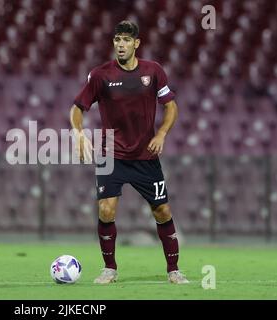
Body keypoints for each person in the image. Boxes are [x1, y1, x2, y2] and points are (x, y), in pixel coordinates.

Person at [69, 21, 188, 284]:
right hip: (111, 154)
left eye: (125, 40)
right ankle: (109, 269)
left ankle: (174, 270)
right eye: (116, 40)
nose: (120, 45)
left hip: (146, 156)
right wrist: (78, 133)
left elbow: (172, 107)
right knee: (106, 209)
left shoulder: (154, 71)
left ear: (136, 43)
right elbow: (77, 108)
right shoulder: (100, 76)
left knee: (162, 211)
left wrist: (161, 134)